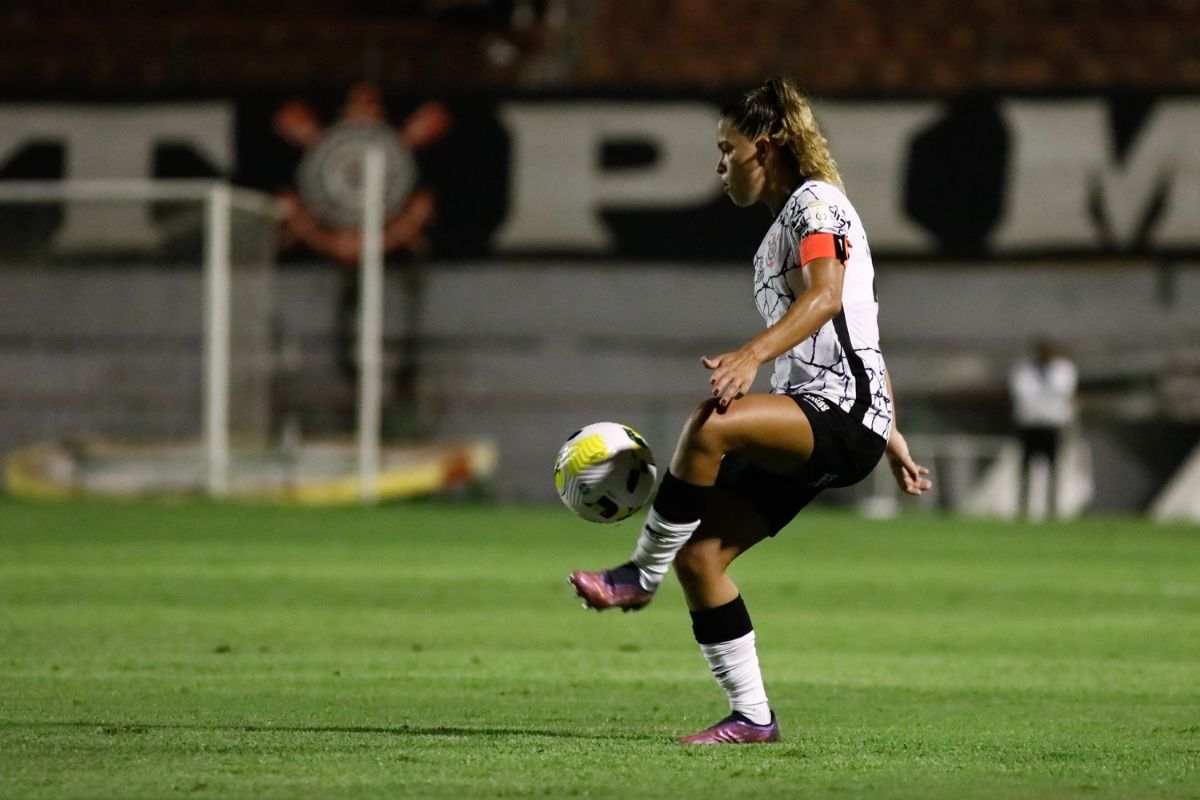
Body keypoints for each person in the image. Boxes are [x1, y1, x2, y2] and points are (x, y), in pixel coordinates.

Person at [568, 76, 932, 745]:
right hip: (842, 415)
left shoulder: (815, 202)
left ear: (763, 148)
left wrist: (752, 355)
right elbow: (855, 329)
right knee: (701, 557)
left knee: (714, 424)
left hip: (839, 412)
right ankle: (752, 717)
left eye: (725, 148)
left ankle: (637, 576)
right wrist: (893, 436)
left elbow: (827, 297)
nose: (719, 164)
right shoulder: (776, 235)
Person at [1009, 337, 1077, 519]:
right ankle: (1023, 508)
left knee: (1055, 469)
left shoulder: (1064, 370)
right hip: (1030, 425)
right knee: (1026, 469)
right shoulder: (1024, 370)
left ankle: (1052, 508)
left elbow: (1064, 393)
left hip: (1053, 425)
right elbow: (1022, 395)